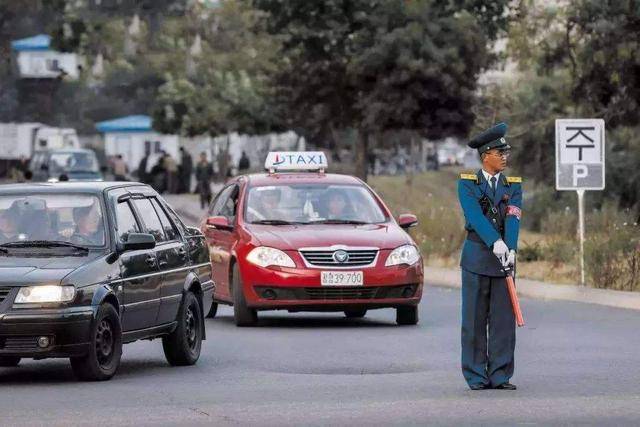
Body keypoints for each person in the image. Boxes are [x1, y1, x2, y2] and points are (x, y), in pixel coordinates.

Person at [457, 122, 523, 391]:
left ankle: (500, 374)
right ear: (486, 156)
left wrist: (511, 248)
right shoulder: (468, 184)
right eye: (500, 152)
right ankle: (475, 375)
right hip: (476, 258)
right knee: (473, 321)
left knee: (503, 322)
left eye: (506, 152)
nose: (505, 157)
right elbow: (474, 216)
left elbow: (514, 216)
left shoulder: (513, 185)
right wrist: (495, 242)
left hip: (503, 261)